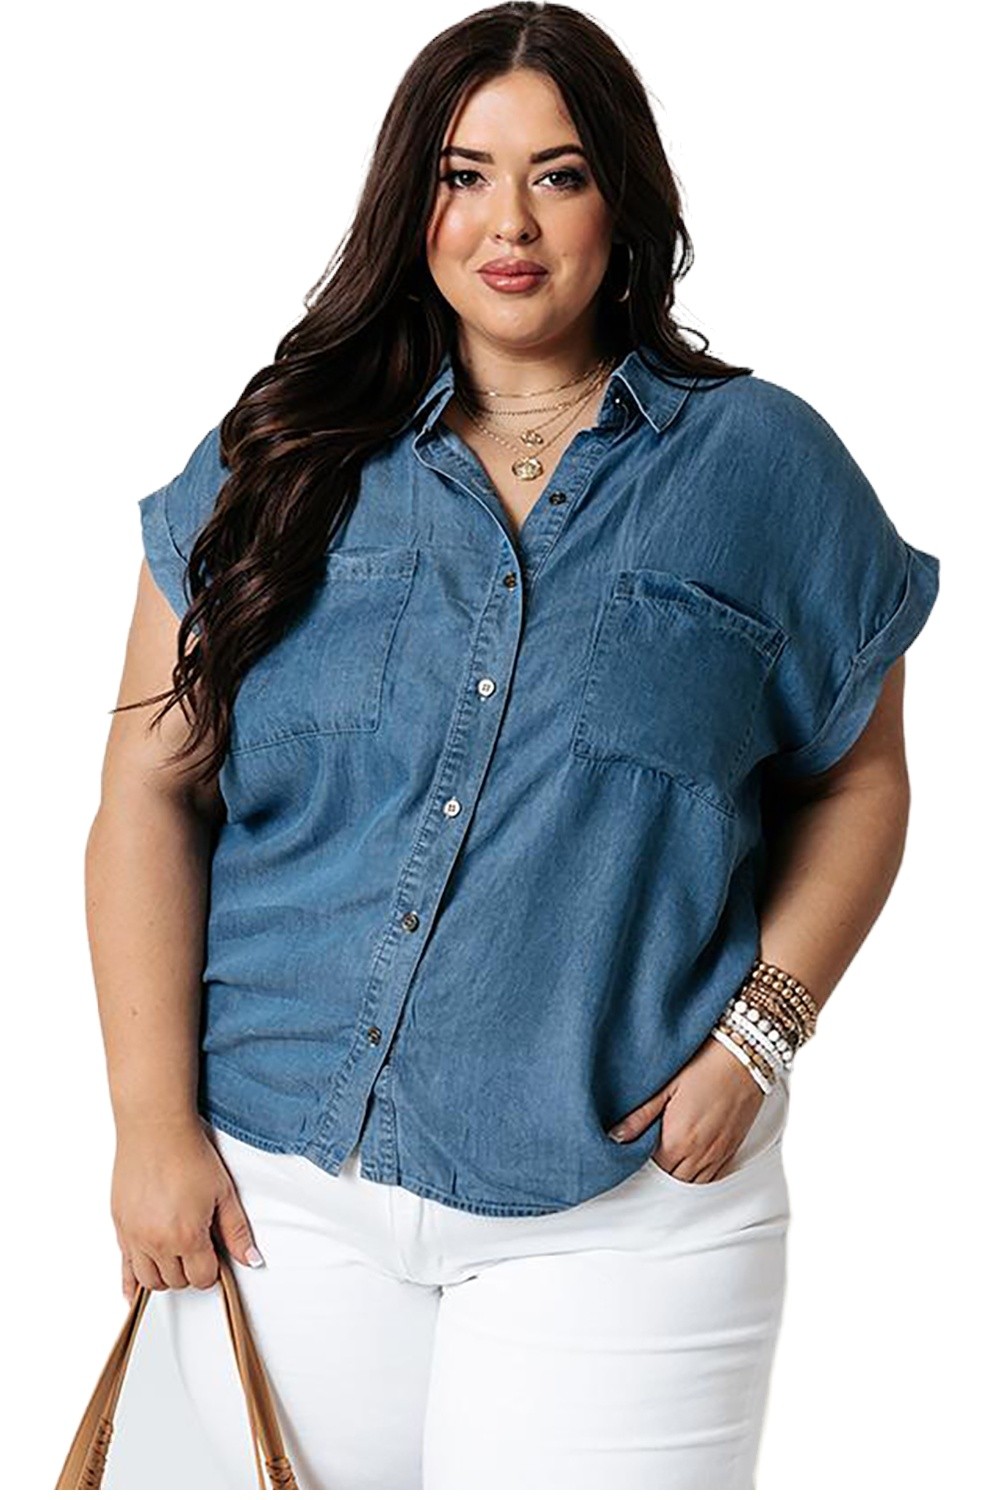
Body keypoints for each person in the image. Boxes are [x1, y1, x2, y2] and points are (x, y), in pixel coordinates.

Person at [86, 1, 941, 1489]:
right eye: (463, 174)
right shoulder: (281, 452)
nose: (510, 225)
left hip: (624, 1209)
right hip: (279, 1190)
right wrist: (149, 1130)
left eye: (559, 174)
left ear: (624, 199)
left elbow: (858, 778)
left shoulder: (763, 467)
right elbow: (148, 799)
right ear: (406, 199)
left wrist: (761, 1032)